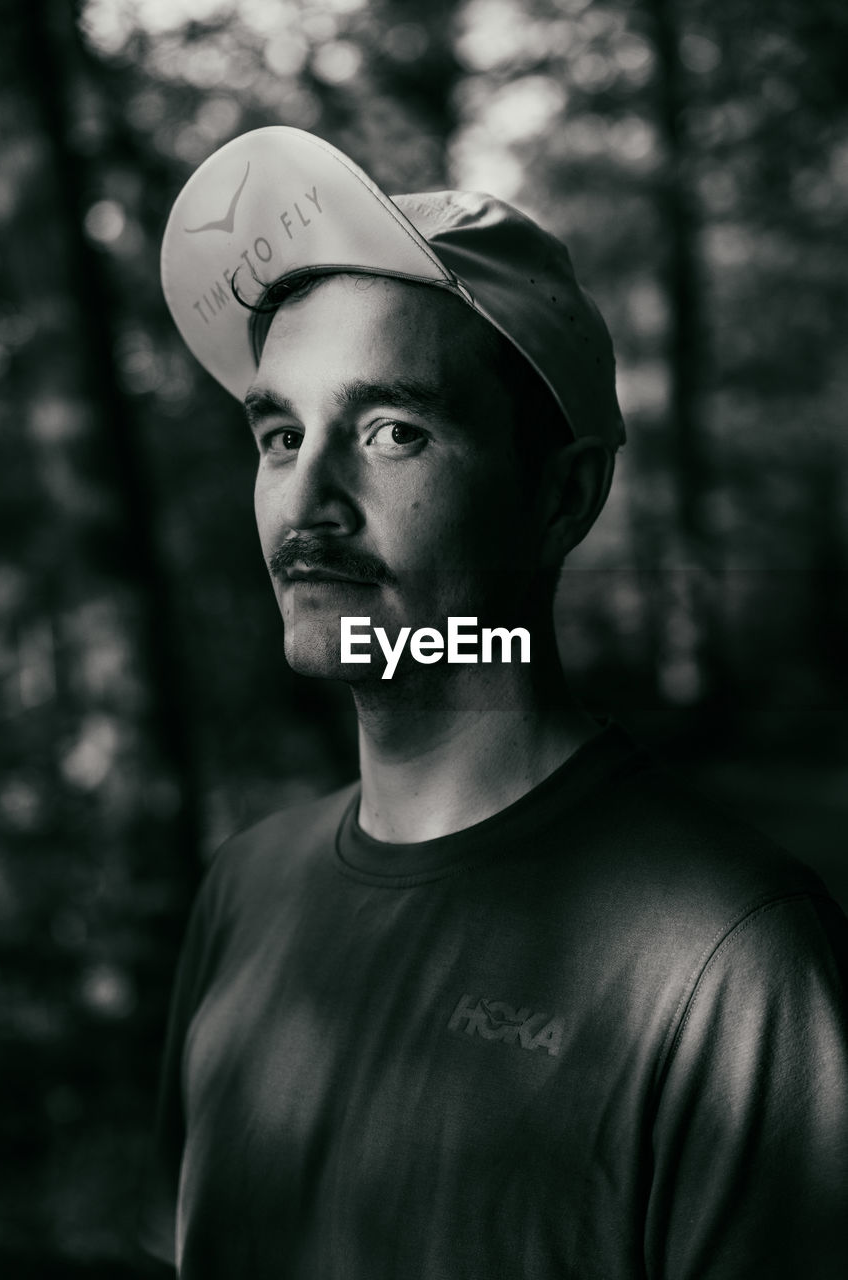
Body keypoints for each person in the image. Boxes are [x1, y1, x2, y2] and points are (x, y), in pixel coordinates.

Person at [140, 127, 848, 1278]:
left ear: (561, 494)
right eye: (280, 434)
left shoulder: (730, 963)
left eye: (393, 432)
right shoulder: (244, 889)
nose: (306, 498)